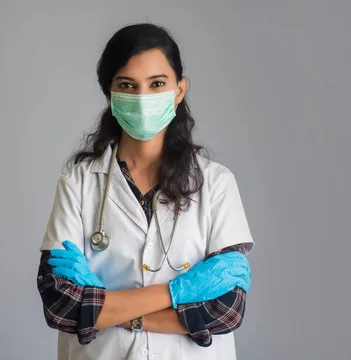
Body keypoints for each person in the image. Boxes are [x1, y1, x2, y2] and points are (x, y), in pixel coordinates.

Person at [36, 23, 254, 360]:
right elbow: (61, 306)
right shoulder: (78, 183)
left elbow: (226, 310)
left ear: (179, 90)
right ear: (109, 94)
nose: (142, 99)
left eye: (157, 84)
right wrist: (181, 291)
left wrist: (107, 309)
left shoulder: (216, 184)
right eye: (127, 85)